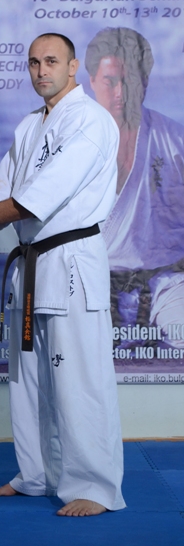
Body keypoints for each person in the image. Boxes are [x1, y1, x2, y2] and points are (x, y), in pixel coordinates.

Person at [0, 33, 126, 516]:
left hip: (70, 260)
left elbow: (46, 191)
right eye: (34, 62)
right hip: (31, 263)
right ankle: (37, 475)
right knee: (28, 380)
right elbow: (3, 190)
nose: (41, 70)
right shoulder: (29, 125)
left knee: (79, 380)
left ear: (73, 67)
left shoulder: (89, 120)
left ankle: (95, 487)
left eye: (51, 61)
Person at [85, 28, 184, 347]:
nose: (121, 93)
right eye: (110, 81)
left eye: (130, 82)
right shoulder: (70, 144)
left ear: (146, 82)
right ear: (91, 82)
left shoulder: (175, 141)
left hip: (167, 285)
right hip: (93, 287)